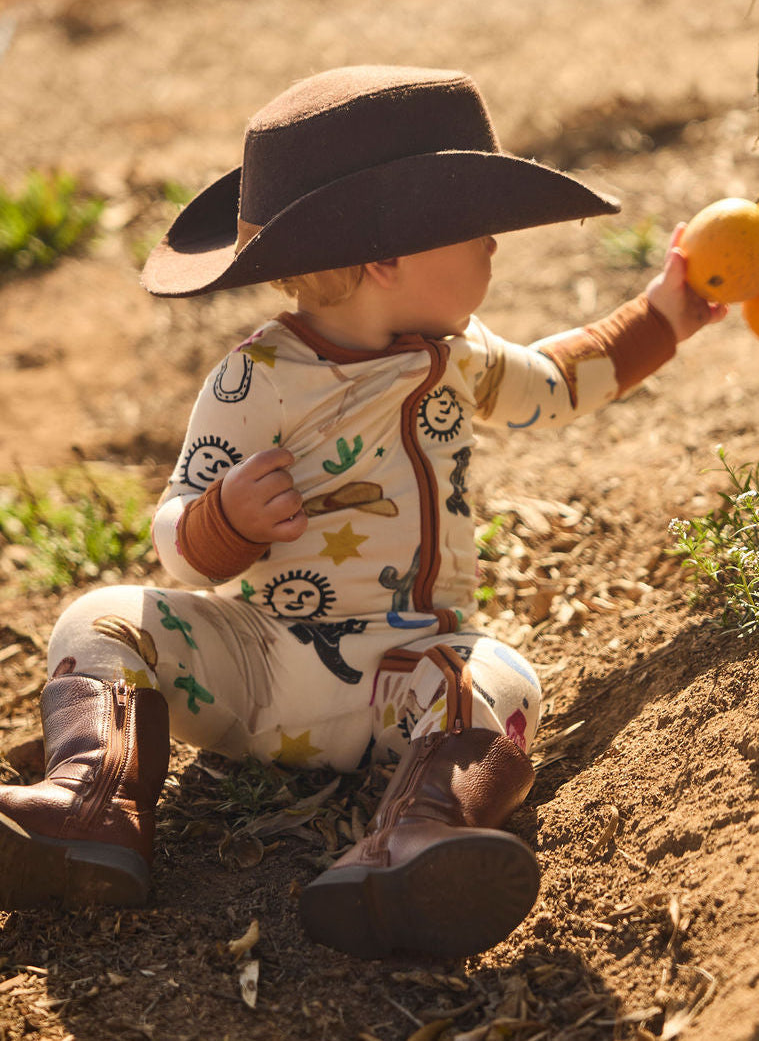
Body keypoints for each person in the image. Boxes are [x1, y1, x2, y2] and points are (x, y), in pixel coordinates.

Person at [0, 66, 725, 958]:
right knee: (100, 616)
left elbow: (557, 382)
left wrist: (667, 314)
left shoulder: (460, 356)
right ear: (385, 258)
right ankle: (96, 802)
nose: (494, 245)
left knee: (495, 676)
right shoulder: (256, 377)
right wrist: (224, 516)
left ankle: (420, 833)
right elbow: (180, 536)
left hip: (406, 683)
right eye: (474, 227)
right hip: (260, 667)